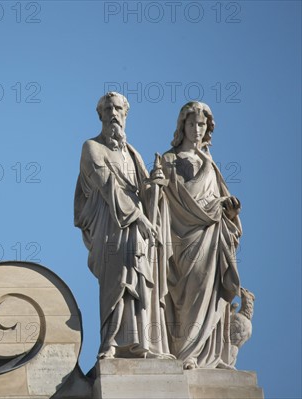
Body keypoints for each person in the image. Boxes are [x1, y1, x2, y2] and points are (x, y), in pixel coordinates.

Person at [74, 92, 172, 359]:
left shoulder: (133, 154)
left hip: (138, 231)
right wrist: (140, 217)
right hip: (111, 227)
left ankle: (144, 344)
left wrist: (155, 185)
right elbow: (107, 187)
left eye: (118, 109)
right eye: (108, 109)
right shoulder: (92, 147)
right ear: (100, 115)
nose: (113, 114)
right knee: (118, 282)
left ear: (125, 114)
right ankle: (111, 344)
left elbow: (144, 192)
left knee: (139, 280)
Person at [161, 101, 241, 369]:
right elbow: (170, 200)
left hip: (211, 236)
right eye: (192, 123)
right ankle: (184, 352)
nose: (197, 129)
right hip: (183, 236)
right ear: (182, 125)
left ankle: (209, 354)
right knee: (188, 291)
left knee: (211, 290)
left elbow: (218, 198)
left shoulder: (211, 163)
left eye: (202, 124)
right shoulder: (169, 160)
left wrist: (229, 212)